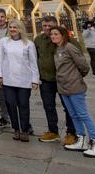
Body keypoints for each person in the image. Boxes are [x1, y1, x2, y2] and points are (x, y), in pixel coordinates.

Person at [50, 26, 95, 157]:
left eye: (56, 34)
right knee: (73, 115)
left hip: (74, 87)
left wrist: (76, 77)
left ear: (63, 35)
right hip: (63, 88)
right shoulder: (58, 49)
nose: (53, 36)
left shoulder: (69, 47)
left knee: (83, 114)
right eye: (51, 34)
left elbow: (83, 66)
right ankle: (81, 139)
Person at [34, 15, 80, 146]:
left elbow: (79, 57)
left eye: (50, 26)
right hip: (46, 79)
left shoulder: (67, 39)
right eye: (45, 26)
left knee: (68, 107)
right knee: (48, 106)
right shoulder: (39, 39)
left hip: (63, 80)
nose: (47, 28)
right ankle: (53, 131)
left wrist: (76, 76)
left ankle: (71, 133)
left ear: (56, 25)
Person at [0, 19, 39, 142]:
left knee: (23, 104)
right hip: (8, 79)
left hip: (24, 80)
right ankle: (16, 128)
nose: (13, 29)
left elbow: (33, 62)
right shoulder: (3, 42)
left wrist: (35, 79)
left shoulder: (28, 44)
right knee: (10, 103)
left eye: (15, 27)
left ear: (20, 29)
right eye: (11, 27)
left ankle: (24, 129)